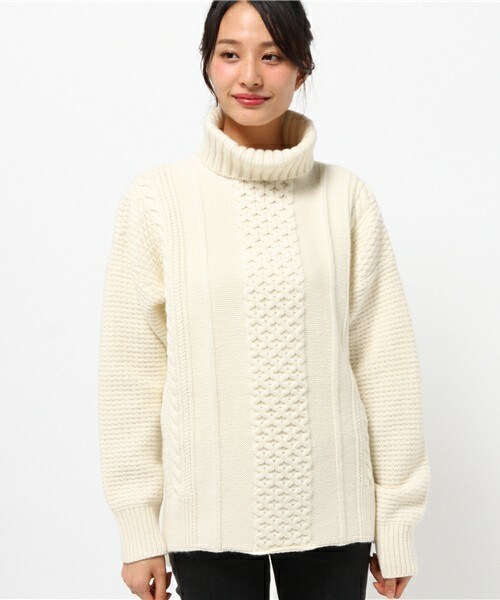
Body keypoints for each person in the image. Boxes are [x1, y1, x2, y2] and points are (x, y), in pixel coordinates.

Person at [97, 1, 431, 599]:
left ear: (302, 69)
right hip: (207, 514)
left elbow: (385, 365)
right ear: (207, 63)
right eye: (230, 54)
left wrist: (397, 521)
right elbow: (132, 374)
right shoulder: (158, 201)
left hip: (335, 511)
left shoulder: (346, 199)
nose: (249, 76)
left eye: (272, 56)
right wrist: (138, 527)